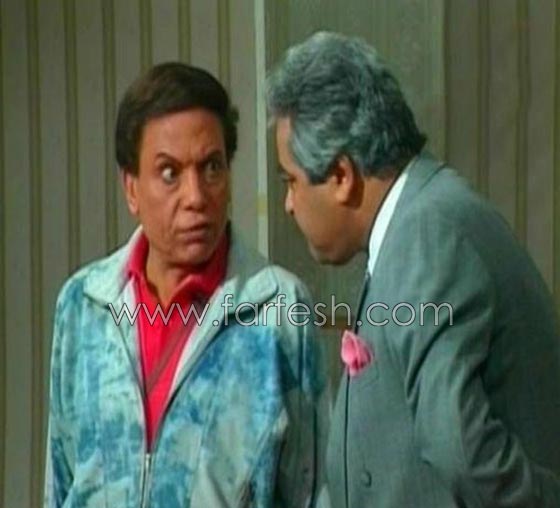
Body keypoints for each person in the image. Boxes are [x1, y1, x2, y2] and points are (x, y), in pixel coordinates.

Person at [266, 31, 560, 507]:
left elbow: (462, 450)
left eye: (291, 181)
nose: (288, 204)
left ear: (341, 176)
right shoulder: (416, 222)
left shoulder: (426, 235)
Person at [44, 62, 327, 507]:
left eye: (212, 167)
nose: (196, 197)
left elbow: (312, 492)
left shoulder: (278, 309)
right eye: (169, 173)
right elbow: (60, 480)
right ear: (131, 188)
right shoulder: (84, 304)